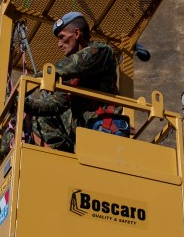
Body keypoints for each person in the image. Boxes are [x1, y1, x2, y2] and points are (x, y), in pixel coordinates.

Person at [22, 11, 125, 152]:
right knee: (41, 120)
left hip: (103, 127)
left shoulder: (102, 52)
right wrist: (24, 104)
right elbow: (56, 103)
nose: (59, 44)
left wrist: (31, 81)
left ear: (76, 33)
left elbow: (76, 63)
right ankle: (62, 157)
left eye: (61, 37)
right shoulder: (72, 77)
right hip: (83, 133)